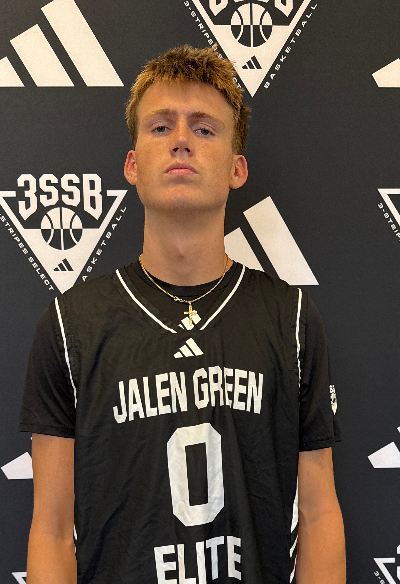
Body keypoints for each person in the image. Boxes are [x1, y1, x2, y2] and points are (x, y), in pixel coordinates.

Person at [19, 44, 345, 584]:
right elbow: (51, 530)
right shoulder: (70, 324)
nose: (181, 140)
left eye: (205, 128)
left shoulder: (289, 320)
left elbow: (319, 514)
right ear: (132, 164)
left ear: (237, 169)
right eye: (160, 126)